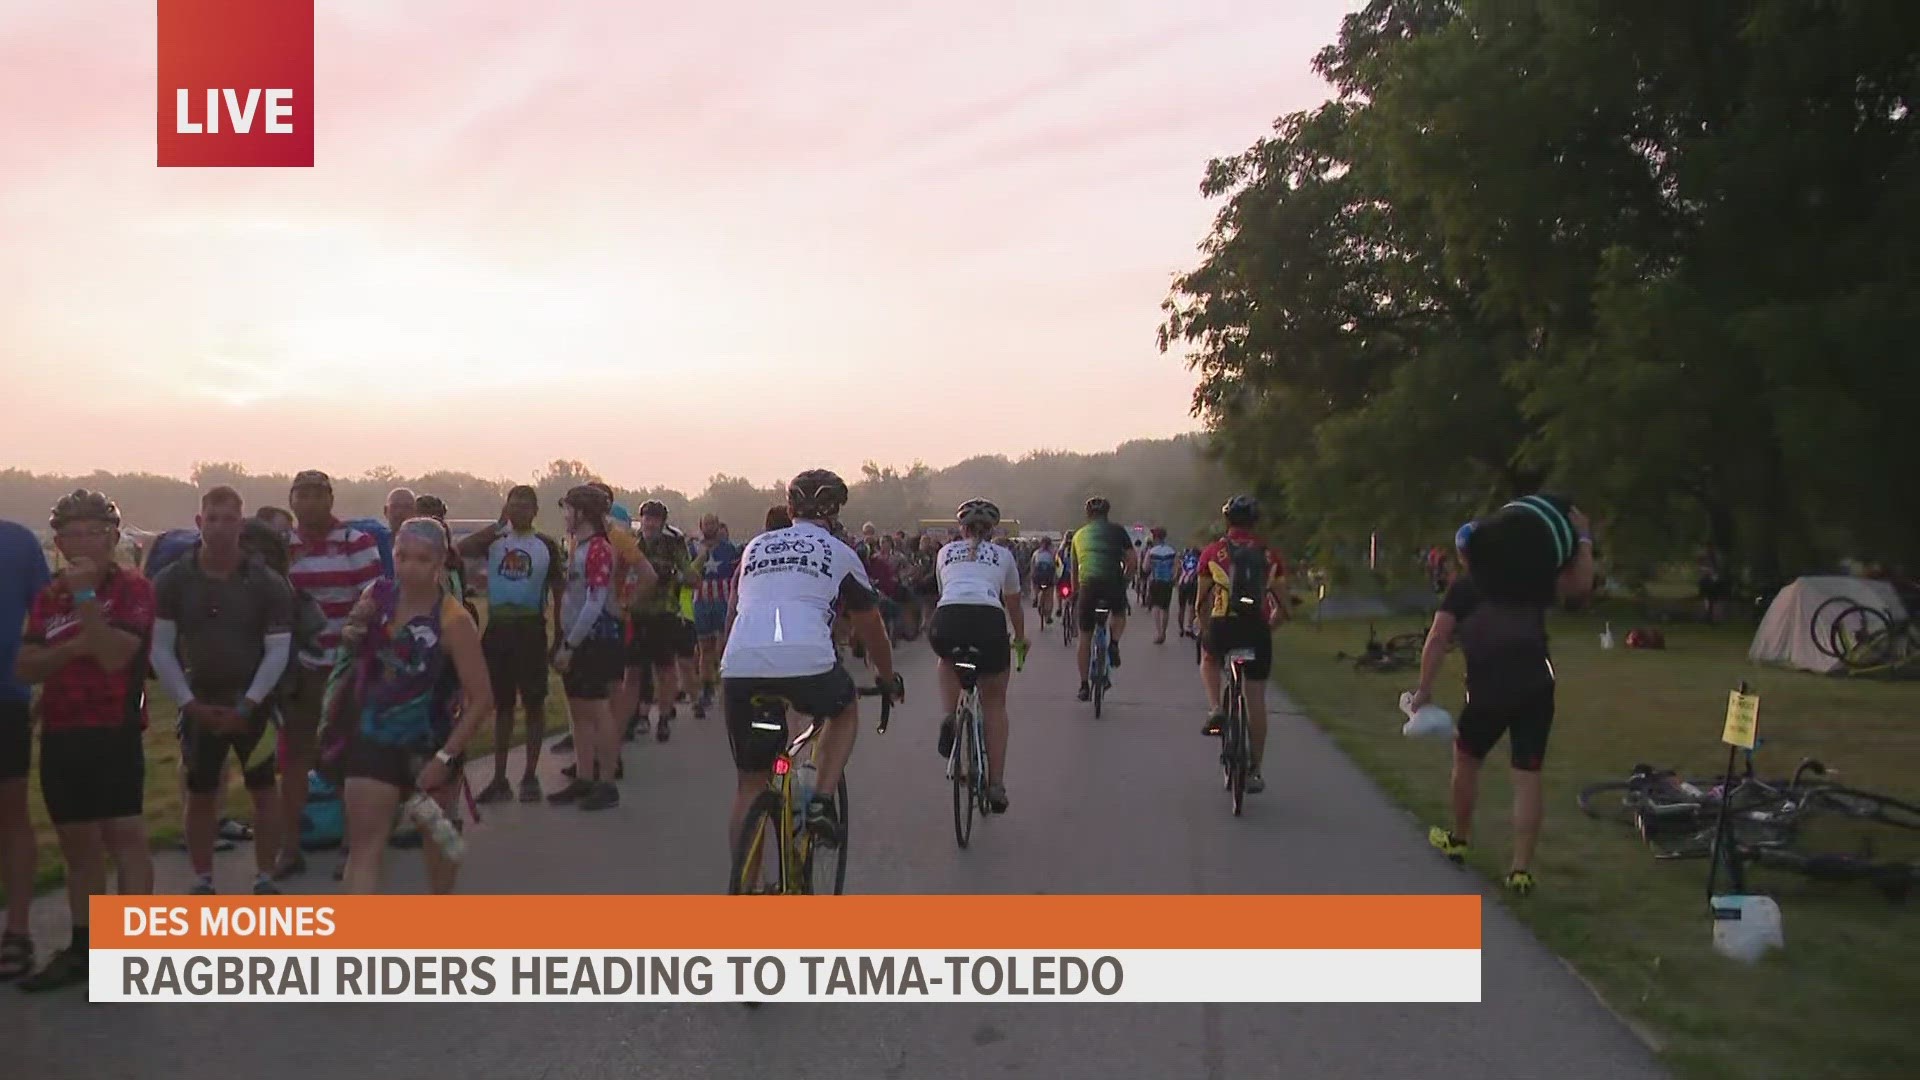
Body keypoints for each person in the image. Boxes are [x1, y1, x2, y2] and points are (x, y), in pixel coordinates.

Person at [1409, 507, 1593, 897]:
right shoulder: (1530, 582)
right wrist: (1583, 540)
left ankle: (1459, 839)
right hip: (1537, 687)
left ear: (1465, 555)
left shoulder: (1465, 588)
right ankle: (1521, 870)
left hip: (1489, 689)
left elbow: (1438, 638)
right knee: (1527, 775)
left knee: (1466, 758)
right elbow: (1579, 590)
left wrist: (1424, 688)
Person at [13, 490, 156, 991]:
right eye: (70, 532)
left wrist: (85, 602)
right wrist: (76, 644)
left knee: (125, 839)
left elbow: (116, 655)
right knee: (79, 846)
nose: (81, 542)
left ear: (114, 536)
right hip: (61, 729)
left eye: (92, 531)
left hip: (113, 727)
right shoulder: (48, 596)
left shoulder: (133, 590)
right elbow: (26, 664)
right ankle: (85, 946)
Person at [720, 469, 900, 857]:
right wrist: (886, 677)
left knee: (750, 785)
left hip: (740, 664)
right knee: (844, 709)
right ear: (835, 512)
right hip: (807, 661)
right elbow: (872, 627)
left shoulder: (756, 546)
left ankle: (743, 887)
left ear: (789, 507)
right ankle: (820, 800)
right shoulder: (840, 551)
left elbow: (734, 609)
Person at [333, 519, 492, 894]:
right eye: (402, 556)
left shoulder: (454, 621)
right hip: (373, 741)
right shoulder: (376, 595)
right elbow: (352, 649)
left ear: (440, 561)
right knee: (364, 852)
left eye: (421, 559)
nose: (408, 567)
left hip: (429, 750)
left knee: (443, 843)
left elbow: (482, 697)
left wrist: (445, 757)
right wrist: (353, 632)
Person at [149, 486, 294, 896]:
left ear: (240, 524)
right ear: (199, 522)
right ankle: (202, 878)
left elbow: (278, 649)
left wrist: (249, 704)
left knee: (264, 788)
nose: (219, 527)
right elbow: (160, 648)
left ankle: (265, 876)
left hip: (257, 706)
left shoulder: (266, 582)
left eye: (229, 519)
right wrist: (188, 704)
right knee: (200, 792)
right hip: (199, 702)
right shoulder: (174, 580)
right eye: (212, 518)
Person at [277, 470, 383, 879]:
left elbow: (373, 597)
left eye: (318, 494)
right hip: (298, 671)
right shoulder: (283, 547)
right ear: (291, 500)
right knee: (294, 761)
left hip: (346, 665)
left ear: (331, 498)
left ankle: (351, 845)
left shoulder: (356, 543)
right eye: (301, 494)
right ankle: (289, 847)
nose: (309, 501)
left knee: (347, 762)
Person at [457, 486, 566, 804]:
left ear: (535, 511)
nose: (518, 510)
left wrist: (559, 633)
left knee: (533, 702)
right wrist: (496, 526)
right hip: (498, 629)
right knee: (501, 704)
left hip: (530, 628)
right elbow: (459, 550)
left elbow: (559, 591)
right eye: (512, 504)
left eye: (524, 505)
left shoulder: (545, 545)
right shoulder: (495, 541)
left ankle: (530, 775)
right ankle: (499, 777)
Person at [929, 500, 1026, 813]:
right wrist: (1021, 638)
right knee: (995, 704)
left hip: (948, 618)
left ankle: (949, 716)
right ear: (993, 530)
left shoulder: (945, 552)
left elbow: (946, 590)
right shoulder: (1004, 555)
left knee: (946, 657)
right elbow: (1013, 603)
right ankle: (996, 783)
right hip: (988, 621)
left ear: (962, 528)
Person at [1195, 495, 1288, 795]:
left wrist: (1204, 625)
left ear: (1227, 521)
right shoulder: (1269, 555)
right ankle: (1255, 772)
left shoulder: (1213, 551)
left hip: (1224, 625)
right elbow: (1285, 609)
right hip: (1256, 629)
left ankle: (1214, 709)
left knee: (1209, 659)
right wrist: (1269, 627)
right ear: (1255, 521)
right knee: (1256, 700)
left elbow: (1200, 603)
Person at [548, 485, 628, 810]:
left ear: (582, 513)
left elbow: (594, 603)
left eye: (568, 509)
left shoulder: (597, 549)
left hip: (594, 641)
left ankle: (607, 781)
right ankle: (584, 776)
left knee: (597, 710)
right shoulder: (578, 547)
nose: (565, 515)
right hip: (578, 639)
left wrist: (570, 644)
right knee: (578, 711)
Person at [0, 518, 51, 981]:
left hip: (5, 697)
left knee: (12, 816)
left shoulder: (18, 541)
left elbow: (50, 615)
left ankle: (16, 932)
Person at [622, 500, 691, 742]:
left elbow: (690, 575)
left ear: (662, 522)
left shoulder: (673, 544)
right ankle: (631, 720)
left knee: (664, 669)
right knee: (632, 672)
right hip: (636, 613)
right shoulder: (631, 542)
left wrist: (672, 574)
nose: (649, 523)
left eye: (654, 519)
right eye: (646, 518)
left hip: (663, 613)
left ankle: (662, 719)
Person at [1069, 497, 1137, 701]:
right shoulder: (1117, 531)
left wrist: (1075, 593)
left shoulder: (1078, 535)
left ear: (1087, 515)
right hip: (1112, 583)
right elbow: (1132, 561)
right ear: (1107, 514)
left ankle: (1083, 686)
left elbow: (1074, 570)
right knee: (1119, 612)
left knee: (1084, 638)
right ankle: (1114, 643)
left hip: (1088, 587)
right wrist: (1125, 581)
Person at [691, 514, 741, 714]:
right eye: (706, 523)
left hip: (723, 599)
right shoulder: (694, 548)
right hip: (701, 600)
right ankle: (707, 688)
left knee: (723, 646)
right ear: (701, 525)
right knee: (705, 647)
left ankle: (725, 687)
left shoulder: (729, 549)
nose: (709, 527)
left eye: (713, 523)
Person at [1142, 527, 1180, 644]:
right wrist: (1173, 578)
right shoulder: (1172, 551)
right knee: (1165, 608)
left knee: (1156, 607)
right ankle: (1164, 632)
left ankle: (1159, 633)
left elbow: (1145, 567)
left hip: (1156, 581)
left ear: (1155, 538)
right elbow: (1177, 567)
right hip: (1167, 582)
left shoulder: (1151, 551)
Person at [1029, 537, 1059, 628]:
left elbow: (1032, 566)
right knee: (1049, 597)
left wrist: (1032, 577)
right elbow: (1056, 566)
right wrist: (1056, 577)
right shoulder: (1053, 554)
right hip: (1048, 577)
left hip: (1038, 577)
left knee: (1036, 586)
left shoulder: (1036, 553)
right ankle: (1048, 616)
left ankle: (1036, 597)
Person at [1176, 544, 1202, 637]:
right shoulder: (1199, 559)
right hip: (1192, 584)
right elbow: (1199, 571)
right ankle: (1189, 627)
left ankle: (1180, 628)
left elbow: (1179, 570)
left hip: (1182, 583)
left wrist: (1176, 580)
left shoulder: (1184, 559)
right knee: (1191, 606)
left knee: (1181, 607)